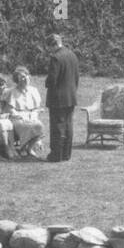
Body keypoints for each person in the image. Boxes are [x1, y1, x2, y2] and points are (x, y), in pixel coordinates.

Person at [45, 33, 79, 162]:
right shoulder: (72, 55)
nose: (49, 50)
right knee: (68, 126)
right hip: (70, 96)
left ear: (53, 45)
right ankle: (66, 154)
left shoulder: (56, 58)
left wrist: (46, 82)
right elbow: (76, 77)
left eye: (49, 47)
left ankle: (56, 155)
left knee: (57, 127)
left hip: (57, 98)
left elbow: (52, 80)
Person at [4, 66, 45, 158]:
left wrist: (33, 116)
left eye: (26, 75)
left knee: (39, 125)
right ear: (17, 80)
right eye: (22, 77)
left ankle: (29, 148)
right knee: (25, 125)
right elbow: (10, 109)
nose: (25, 78)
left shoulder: (34, 90)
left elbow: (36, 108)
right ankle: (22, 148)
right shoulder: (12, 92)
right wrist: (21, 116)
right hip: (17, 117)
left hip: (32, 115)